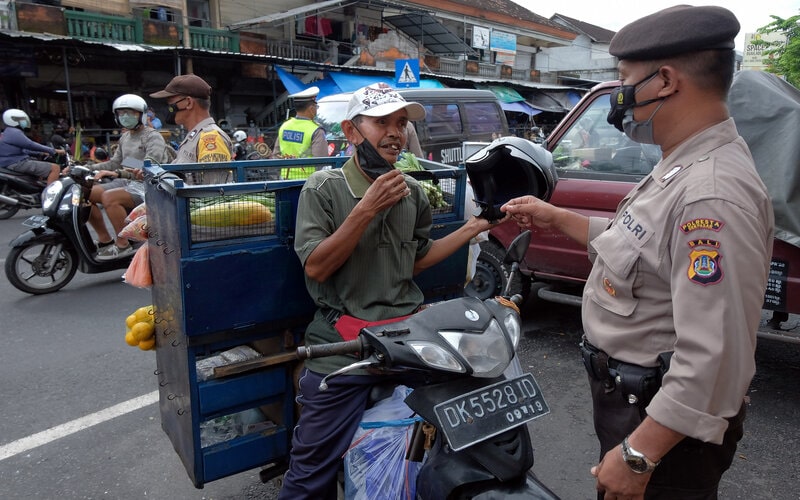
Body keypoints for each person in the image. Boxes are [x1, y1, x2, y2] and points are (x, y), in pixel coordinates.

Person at [501, 6, 774, 499]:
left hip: (662, 430)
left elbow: (716, 356)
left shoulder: (709, 191)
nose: (620, 94)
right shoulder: (682, 163)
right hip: (635, 405)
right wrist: (557, 217)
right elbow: (646, 247)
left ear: (665, 80)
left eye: (625, 79)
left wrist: (639, 455)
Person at [279, 83, 500, 499]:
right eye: (382, 123)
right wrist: (366, 210)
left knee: (467, 433)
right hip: (342, 349)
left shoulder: (411, 192)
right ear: (351, 131)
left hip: (408, 341)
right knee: (310, 472)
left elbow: (415, 259)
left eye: (401, 124)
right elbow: (317, 266)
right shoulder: (323, 189)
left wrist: (473, 229)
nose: (395, 133)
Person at [90, 94, 171, 261]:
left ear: (141, 114)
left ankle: (123, 244)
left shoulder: (152, 136)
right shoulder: (125, 137)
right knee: (86, 193)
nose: (125, 117)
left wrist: (118, 173)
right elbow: (114, 163)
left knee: (109, 197)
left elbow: (149, 168)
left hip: (148, 185)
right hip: (127, 182)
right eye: (121, 113)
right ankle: (105, 240)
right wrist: (86, 168)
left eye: (130, 113)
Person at [149, 73, 232, 184]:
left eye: (170, 103)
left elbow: (213, 192)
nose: (168, 108)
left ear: (188, 102)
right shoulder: (193, 136)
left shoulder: (211, 138)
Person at [271, 86, 329, 179]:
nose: (316, 109)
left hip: (284, 180)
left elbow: (275, 156)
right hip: (307, 182)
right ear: (311, 108)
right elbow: (322, 161)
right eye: (316, 106)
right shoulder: (316, 130)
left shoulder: (285, 126)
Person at [0, 109, 64, 185]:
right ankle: (50, 195)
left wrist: (41, 152)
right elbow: (30, 145)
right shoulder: (14, 132)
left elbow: (24, 150)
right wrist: (53, 150)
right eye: (21, 120)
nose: (24, 122)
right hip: (15, 163)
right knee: (55, 168)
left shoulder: (8, 132)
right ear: (13, 120)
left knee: (38, 166)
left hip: (10, 163)